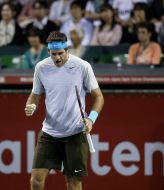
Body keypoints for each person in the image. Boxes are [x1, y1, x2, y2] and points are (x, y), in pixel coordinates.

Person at [25, 31, 104, 190]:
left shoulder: (83, 66)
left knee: (73, 183)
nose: (57, 58)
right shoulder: (41, 68)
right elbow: (34, 95)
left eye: (60, 53)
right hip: (49, 133)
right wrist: (31, 106)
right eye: (53, 54)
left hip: (76, 134)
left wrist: (91, 119)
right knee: (36, 180)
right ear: (48, 52)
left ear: (67, 50)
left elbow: (99, 97)